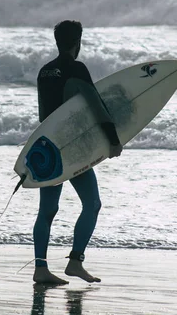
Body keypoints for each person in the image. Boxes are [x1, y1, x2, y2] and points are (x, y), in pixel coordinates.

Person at [33, 20, 123, 285]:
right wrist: (113, 140)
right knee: (92, 204)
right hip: (71, 148)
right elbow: (96, 105)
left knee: (47, 211)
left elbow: (43, 115)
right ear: (77, 42)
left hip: (47, 148)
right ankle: (75, 262)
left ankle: (41, 268)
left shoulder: (44, 71)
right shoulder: (77, 69)